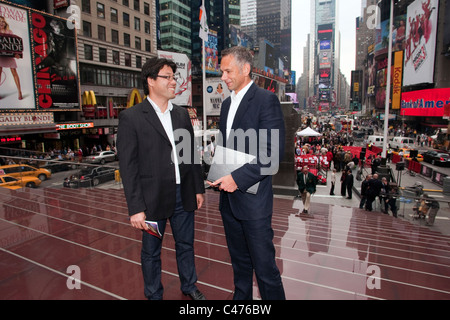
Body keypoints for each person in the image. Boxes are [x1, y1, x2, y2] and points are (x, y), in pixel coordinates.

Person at [117, 57, 206, 300]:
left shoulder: (181, 115)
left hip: (183, 196)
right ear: (150, 81)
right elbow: (128, 167)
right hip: (152, 201)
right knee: (151, 251)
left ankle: (189, 286)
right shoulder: (132, 117)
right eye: (167, 77)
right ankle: (154, 294)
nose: (173, 82)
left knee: (186, 245)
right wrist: (136, 208)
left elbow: (190, 154)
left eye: (173, 77)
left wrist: (198, 189)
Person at [207, 46, 286, 300]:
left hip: (253, 205)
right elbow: (229, 147)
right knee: (240, 267)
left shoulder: (266, 100)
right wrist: (216, 166)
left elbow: (271, 155)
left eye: (227, 70)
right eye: (222, 71)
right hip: (228, 202)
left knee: (265, 270)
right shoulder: (227, 104)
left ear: (245, 69)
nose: (223, 77)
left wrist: (236, 179)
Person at [0, 16, 23, 100]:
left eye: (2, 21)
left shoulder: (9, 32)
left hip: (9, 55)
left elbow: (15, 44)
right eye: (0, 21)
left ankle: (19, 92)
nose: (1, 23)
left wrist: (17, 54)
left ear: (5, 23)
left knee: (14, 72)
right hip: (0, 56)